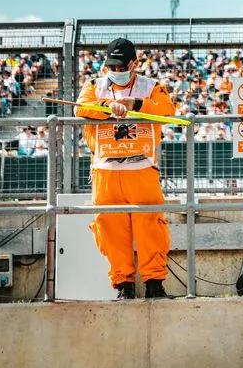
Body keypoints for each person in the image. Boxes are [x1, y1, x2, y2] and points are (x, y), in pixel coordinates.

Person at [75, 37, 177, 300]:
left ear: (135, 63)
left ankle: (155, 283)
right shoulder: (93, 85)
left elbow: (167, 109)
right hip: (105, 170)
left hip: (142, 168)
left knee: (150, 226)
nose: (117, 72)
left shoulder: (152, 86)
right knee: (110, 227)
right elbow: (81, 108)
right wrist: (110, 107)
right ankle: (124, 285)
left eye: (122, 67)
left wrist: (136, 105)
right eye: (113, 67)